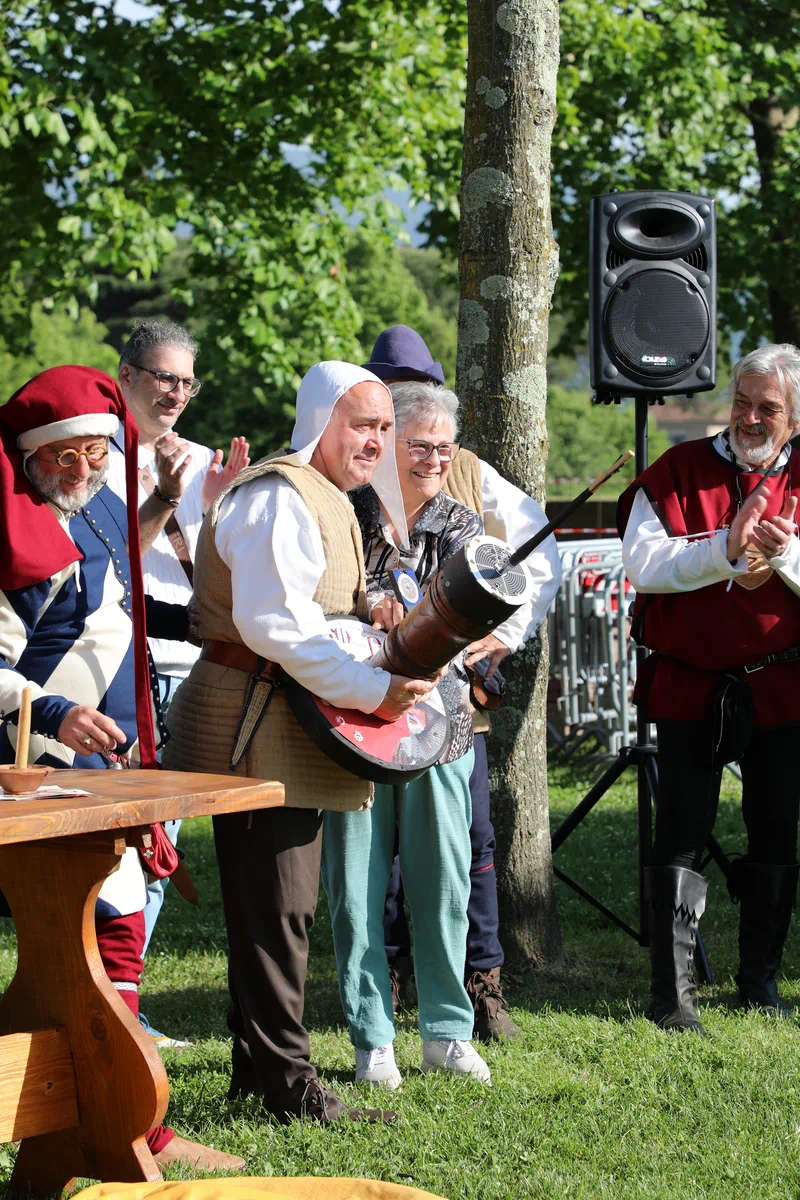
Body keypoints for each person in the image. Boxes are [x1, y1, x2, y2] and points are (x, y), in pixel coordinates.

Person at [162, 361, 437, 1122]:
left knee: (276, 907)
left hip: (285, 715)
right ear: (322, 422)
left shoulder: (326, 498)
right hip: (253, 719)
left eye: (385, 427)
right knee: (276, 907)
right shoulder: (280, 495)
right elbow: (273, 626)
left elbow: (315, 611)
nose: (376, 441)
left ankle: (262, 1078)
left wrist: (373, 610)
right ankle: (286, 1087)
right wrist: (376, 689)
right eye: (363, 424)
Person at [0, 365, 244, 1173]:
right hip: (27, 770)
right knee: (74, 938)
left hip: (100, 762)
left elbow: (115, 597)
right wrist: (54, 711)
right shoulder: (6, 521)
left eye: (95, 456)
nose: (81, 471)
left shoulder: (98, 505)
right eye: (64, 457)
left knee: (120, 923)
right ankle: (85, 1114)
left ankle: (119, 1112)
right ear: (31, 456)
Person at [362, 325, 561, 1040]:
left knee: (471, 845)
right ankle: (381, 987)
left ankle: (481, 986)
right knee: (376, 859)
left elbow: (538, 562)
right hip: (366, 703)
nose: (429, 451)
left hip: (452, 709)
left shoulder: (469, 473)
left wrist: (500, 638)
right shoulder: (343, 475)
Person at [618, 343, 800, 1035]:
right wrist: (723, 549)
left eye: (770, 409)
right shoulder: (678, 470)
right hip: (690, 683)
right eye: (744, 402)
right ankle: (674, 994)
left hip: (783, 682)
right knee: (683, 832)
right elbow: (644, 564)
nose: (751, 418)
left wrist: (785, 556)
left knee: (776, 826)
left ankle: (760, 979)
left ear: (793, 417)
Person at [322, 381, 498, 1090]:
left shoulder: (463, 524)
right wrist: (369, 604)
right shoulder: (343, 511)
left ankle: (448, 1032)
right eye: (416, 444)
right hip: (352, 723)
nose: (429, 457)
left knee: (444, 880)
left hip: (441, 727)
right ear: (389, 441)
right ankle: (372, 1039)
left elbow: (476, 616)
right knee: (355, 887)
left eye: (441, 447)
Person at [107, 320, 250, 1049]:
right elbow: (98, 563)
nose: (176, 394)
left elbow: (217, 572)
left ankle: (121, 1006)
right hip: (114, 679)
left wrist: (222, 509)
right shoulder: (91, 451)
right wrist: (161, 497)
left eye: (187, 382)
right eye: (164, 377)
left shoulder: (201, 458)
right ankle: (104, 1006)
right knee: (112, 852)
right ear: (125, 374)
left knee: (160, 850)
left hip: (186, 672)